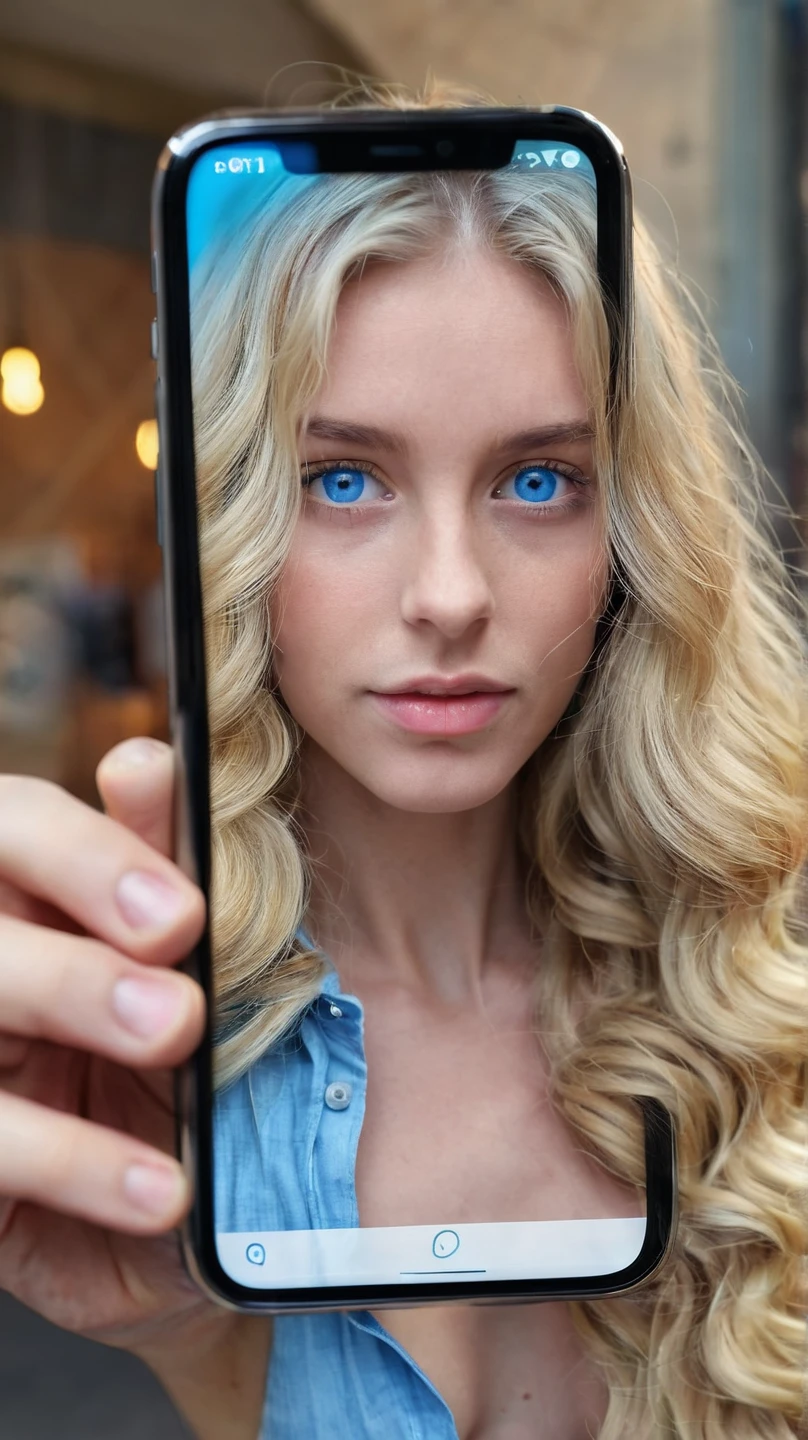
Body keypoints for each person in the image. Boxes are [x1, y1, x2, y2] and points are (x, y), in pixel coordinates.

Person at [0, 79, 806, 1440]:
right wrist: (202, 1354)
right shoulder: (156, 1061)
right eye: (344, 479)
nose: (449, 594)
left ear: (634, 541)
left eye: (536, 480)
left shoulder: (764, 997)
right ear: (236, 513)